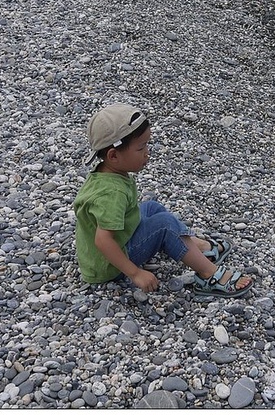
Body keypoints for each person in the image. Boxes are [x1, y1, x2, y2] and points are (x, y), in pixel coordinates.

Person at [73, 103, 254, 297]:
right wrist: (135, 273)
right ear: (113, 155)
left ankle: (198, 247)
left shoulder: (107, 173)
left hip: (115, 244)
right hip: (108, 265)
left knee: (151, 207)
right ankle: (208, 274)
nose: (147, 152)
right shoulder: (111, 193)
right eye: (141, 147)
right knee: (165, 225)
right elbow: (103, 240)